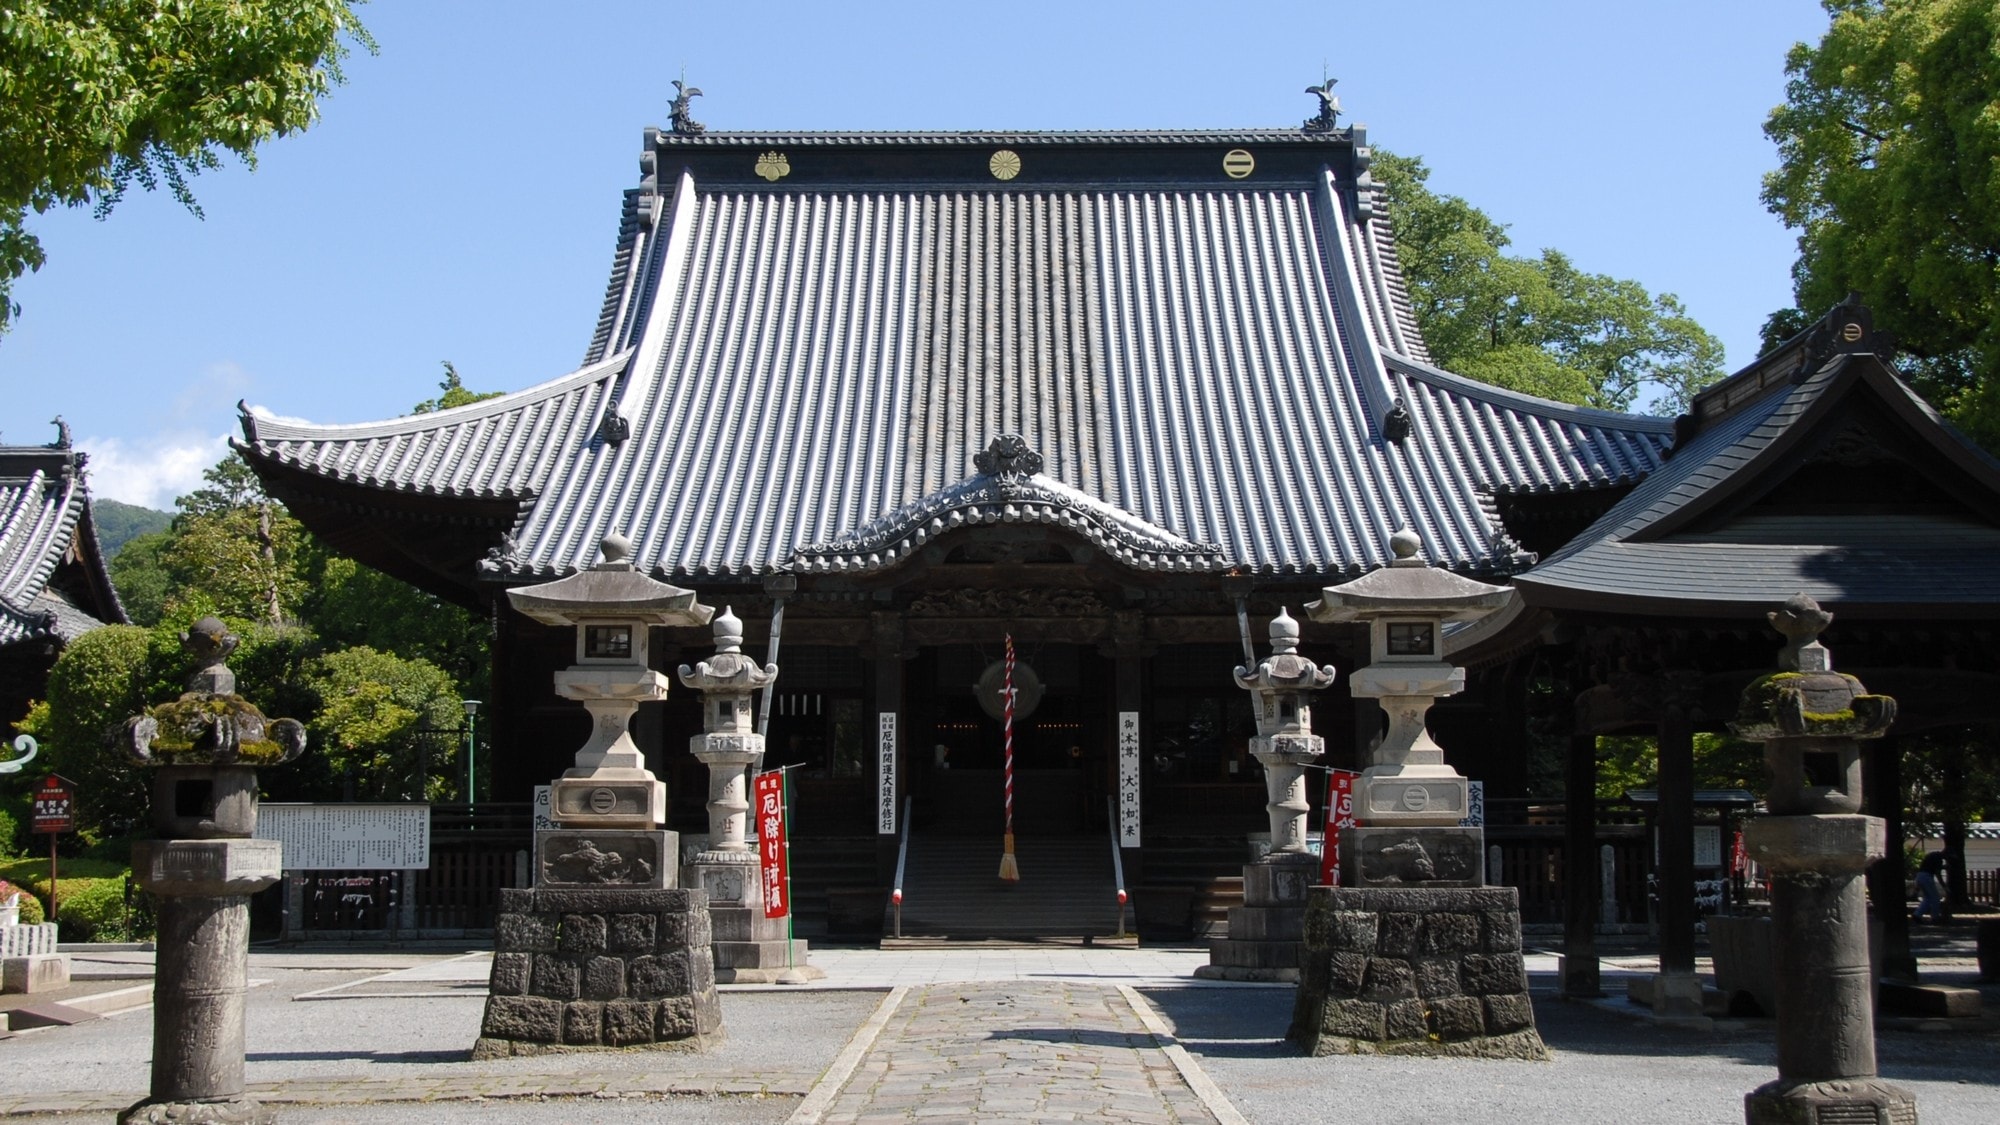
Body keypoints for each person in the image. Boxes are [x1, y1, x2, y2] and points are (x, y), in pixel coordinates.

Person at [1913, 850, 1946, 923]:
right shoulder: (1938, 858)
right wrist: (1944, 885)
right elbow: (1938, 873)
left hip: (1920, 875)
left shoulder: (1933, 855)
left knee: (1928, 897)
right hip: (1927, 877)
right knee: (1935, 898)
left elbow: (1931, 866)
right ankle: (1935, 917)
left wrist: (1943, 867)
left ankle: (1917, 914)